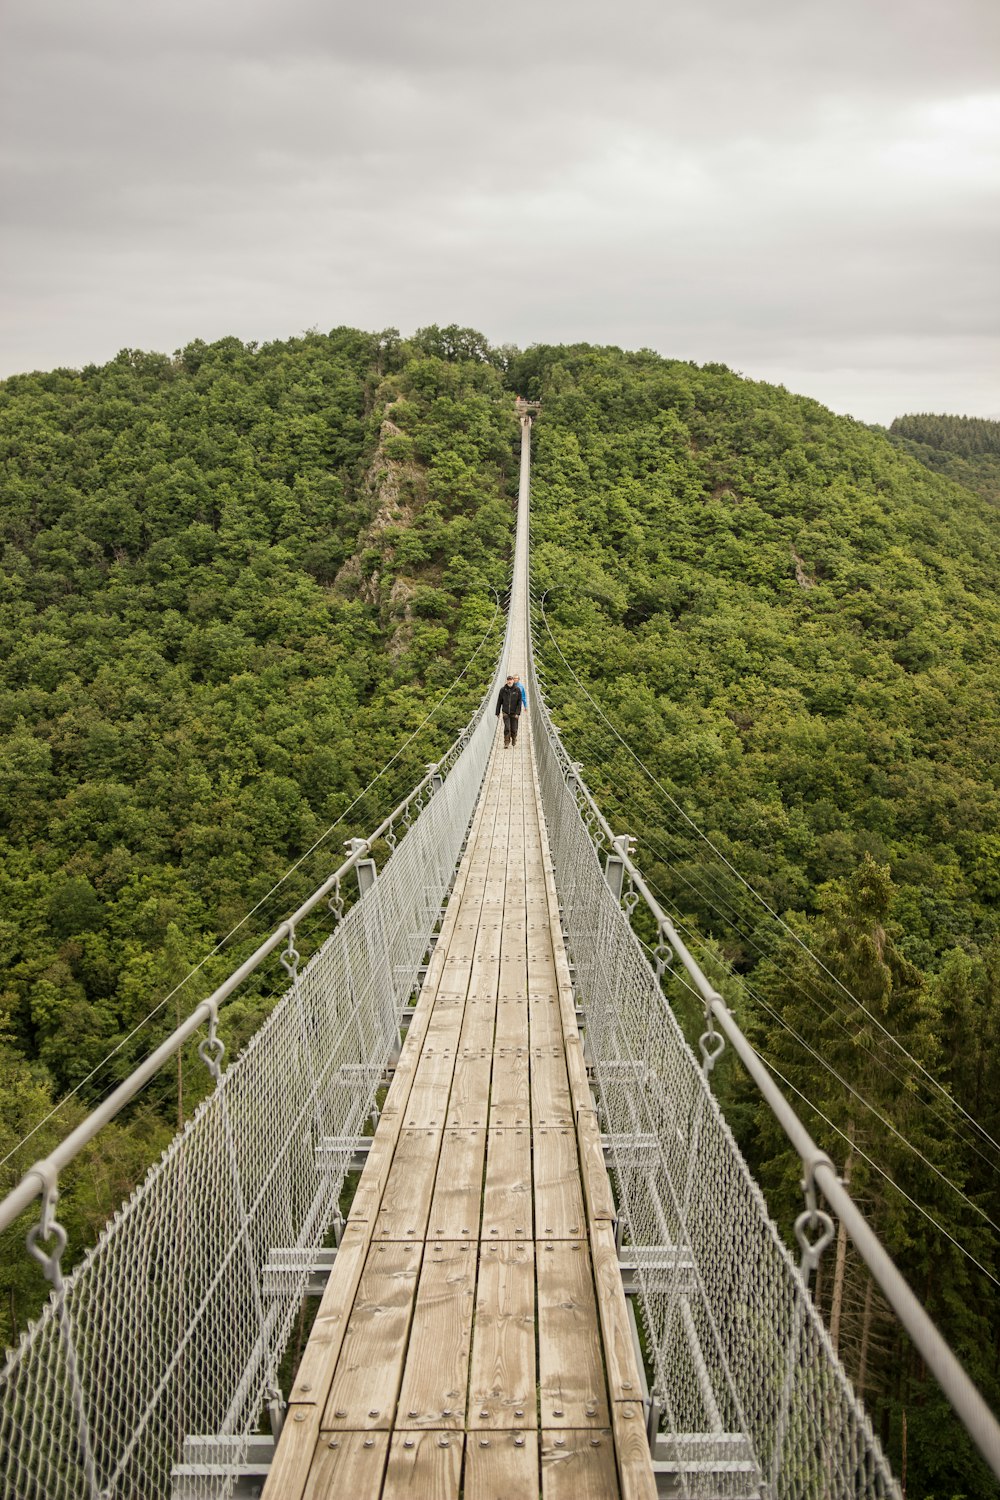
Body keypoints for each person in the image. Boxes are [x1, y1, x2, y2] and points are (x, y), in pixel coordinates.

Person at [496, 674, 522, 748]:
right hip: (506, 712)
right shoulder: (503, 690)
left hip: (514, 713)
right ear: (506, 681)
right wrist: (497, 712)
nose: (509, 681)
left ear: (513, 681)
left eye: (511, 680)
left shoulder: (517, 690)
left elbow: (519, 703)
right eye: (508, 680)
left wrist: (518, 713)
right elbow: (499, 701)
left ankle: (514, 738)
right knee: (507, 728)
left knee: (514, 728)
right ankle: (506, 742)